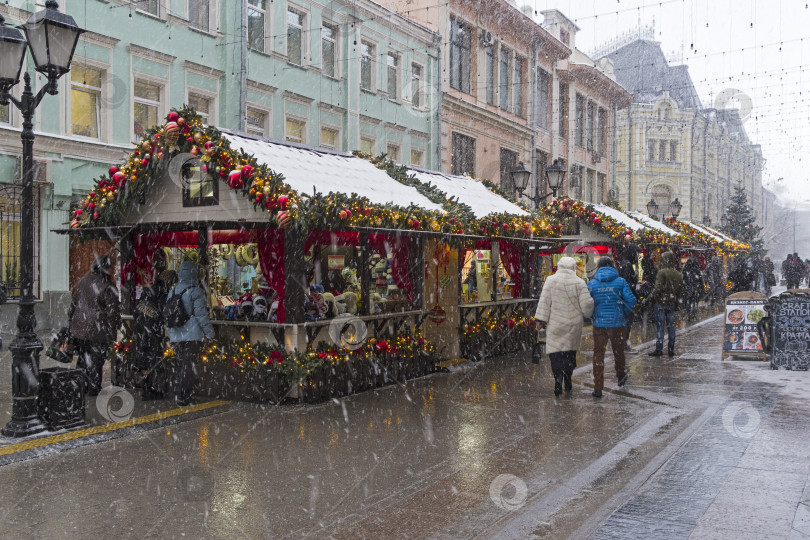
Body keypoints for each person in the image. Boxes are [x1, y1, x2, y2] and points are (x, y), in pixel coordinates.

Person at [534, 257, 594, 397]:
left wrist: (540, 320)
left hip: (555, 324)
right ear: (573, 267)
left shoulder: (550, 280)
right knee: (569, 353)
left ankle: (557, 380)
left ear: (559, 266)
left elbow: (544, 302)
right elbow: (586, 306)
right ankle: (568, 378)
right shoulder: (579, 282)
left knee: (555, 353)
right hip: (573, 325)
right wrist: (590, 309)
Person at [68, 255, 121, 395]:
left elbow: (74, 303)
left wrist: (71, 322)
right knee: (96, 361)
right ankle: (92, 389)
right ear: (106, 268)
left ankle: (79, 387)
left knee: (83, 358)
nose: (115, 269)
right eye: (112, 266)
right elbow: (113, 312)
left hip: (80, 328)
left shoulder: (85, 280)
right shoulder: (108, 287)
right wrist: (114, 328)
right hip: (98, 331)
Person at [587, 257, 637, 398]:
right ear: (612, 266)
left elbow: (587, 304)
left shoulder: (592, 284)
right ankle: (621, 377)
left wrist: (593, 315)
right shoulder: (621, 282)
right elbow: (631, 300)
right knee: (618, 352)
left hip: (599, 325)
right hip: (617, 323)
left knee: (598, 355)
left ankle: (598, 387)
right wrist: (623, 313)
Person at [167, 261, 215, 406]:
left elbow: (169, 314)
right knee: (189, 366)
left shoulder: (173, 290)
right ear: (194, 273)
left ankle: (180, 393)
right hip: (192, 335)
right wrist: (210, 334)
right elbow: (201, 315)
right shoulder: (196, 291)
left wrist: (170, 334)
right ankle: (185, 396)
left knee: (181, 365)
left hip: (176, 335)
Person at [130, 269, 177, 400]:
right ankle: (148, 390)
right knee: (151, 358)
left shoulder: (147, 290)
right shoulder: (164, 293)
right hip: (152, 330)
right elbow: (164, 313)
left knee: (143, 357)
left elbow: (137, 310)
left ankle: (146, 388)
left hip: (141, 328)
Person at [648, 251, 683, 357]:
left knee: (660, 327)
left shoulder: (661, 272)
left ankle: (659, 349)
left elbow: (657, 288)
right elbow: (680, 291)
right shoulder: (678, 273)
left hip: (660, 303)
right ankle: (671, 349)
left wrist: (649, 298)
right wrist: (677, 301)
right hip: (671, 303)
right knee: (671, 327)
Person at [617, 245, 640, 352]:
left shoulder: (623, 263)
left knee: (625, 323)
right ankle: (624, 345)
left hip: (622, 298)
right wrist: (635, 285)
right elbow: (627, 283)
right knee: (627, 323)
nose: (637, 256)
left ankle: (622, 344)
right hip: (626, 299)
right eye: (636, 254)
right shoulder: (627, 265)